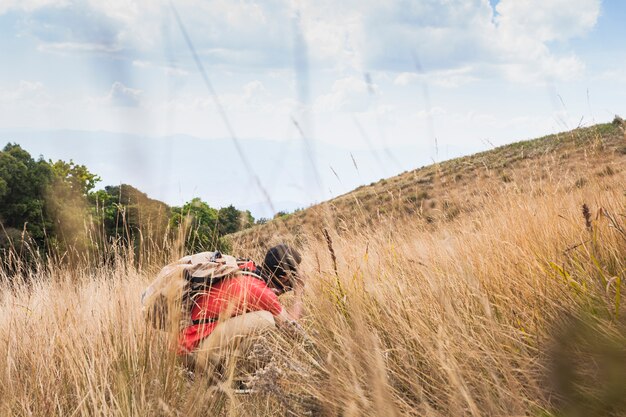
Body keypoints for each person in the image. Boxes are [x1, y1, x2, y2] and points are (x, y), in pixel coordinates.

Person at [177, 244, 304, 379]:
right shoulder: (261, 292)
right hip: (191, 351)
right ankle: (232, 380)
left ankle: (226, 372)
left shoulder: (246, 267)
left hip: (185, 343)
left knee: (255, 336)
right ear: (284, 277)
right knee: (266, 320)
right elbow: (291, 328)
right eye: (295, 274)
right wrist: (299, 292)